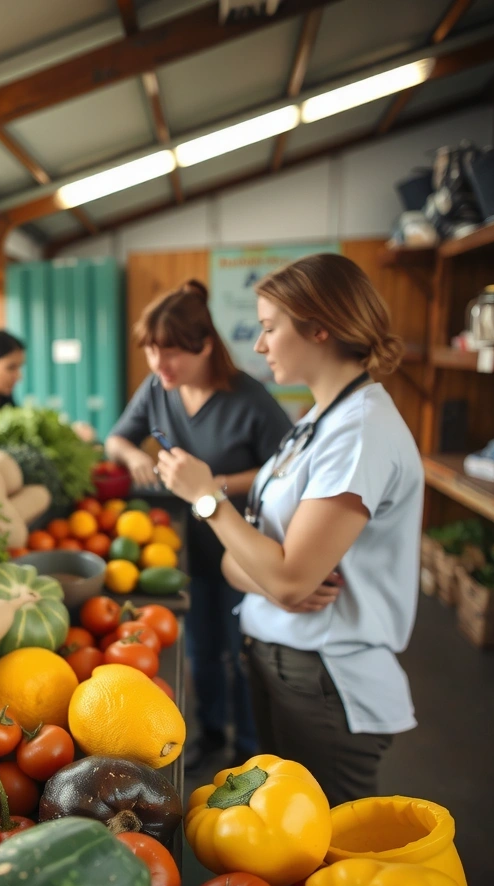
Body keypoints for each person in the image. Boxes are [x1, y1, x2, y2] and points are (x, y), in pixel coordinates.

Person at [156, 254, 422, 808]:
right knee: (284, 842)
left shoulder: (361, 432)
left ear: (319, 328)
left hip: (325, 680)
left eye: (270, 327)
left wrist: (206, 498)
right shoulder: (315, 423)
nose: (259, 344)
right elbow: (248, 565)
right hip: (280, 662)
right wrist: (268, 572)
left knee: (330, 859)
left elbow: (288, 578)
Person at [106, 280, 291, 769]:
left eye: (171, 354)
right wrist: (132, 455)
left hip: (244, 551)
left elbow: (289, 470)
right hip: (187, 552)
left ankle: (252, 752)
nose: (159, 366)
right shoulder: (156, 389)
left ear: (205, 345)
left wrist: (213, 485)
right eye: (150, 352)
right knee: (204, 653)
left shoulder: (251, 401)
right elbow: (117, 440)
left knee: (244, 657)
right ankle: (210, 737)